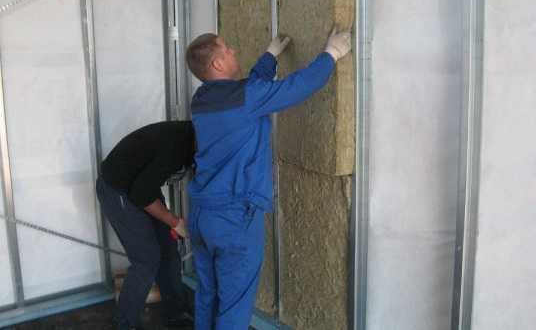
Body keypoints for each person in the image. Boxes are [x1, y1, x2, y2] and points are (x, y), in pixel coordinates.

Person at [185, 28, 351, 329]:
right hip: (234, 218)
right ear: (218, 64)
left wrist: (269, 57)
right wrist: (331, 54)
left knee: (208, 295)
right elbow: (298, 86)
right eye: (227, 49)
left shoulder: (202, 99)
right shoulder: (246, 98)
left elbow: (250, 89)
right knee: (233, 308)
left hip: (201, 215)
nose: (233, 50)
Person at [95, 121, 195, 330]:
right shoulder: (176, 147)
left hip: (140, 184)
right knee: (147, 259)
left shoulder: (196, 137)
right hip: (117, 189)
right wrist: (175, 222)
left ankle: (177, 314)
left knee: (168, 250)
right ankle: (124, 323)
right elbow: (141, 195)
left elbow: (144, 187)